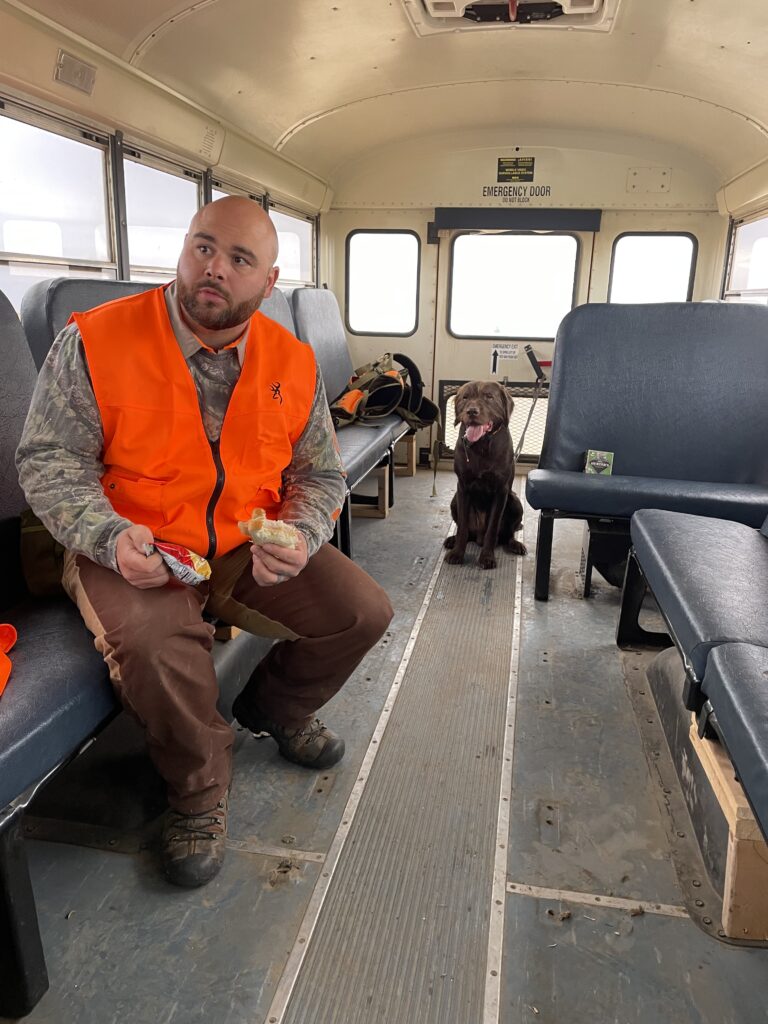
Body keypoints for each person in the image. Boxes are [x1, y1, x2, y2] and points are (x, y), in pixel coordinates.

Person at [16, 196, 393, 888]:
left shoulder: (293, 362)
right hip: (129, 542)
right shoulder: (97, 340)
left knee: (363, 612)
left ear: (267, 283)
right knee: (157, 643)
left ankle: (274, 708)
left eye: (239, 259)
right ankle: (197, 790)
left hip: (238, 541)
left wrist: (301, 535)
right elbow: (47, 459)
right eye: (203, 247)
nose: (214, 269)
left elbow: (317, 472)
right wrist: (106, 536)